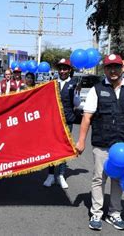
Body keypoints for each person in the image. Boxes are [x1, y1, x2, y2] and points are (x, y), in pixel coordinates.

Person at [75, 54, 124, 231]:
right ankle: (97, 213)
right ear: (104, 69)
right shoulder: (96, 90)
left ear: (122, 68)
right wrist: (81, 141)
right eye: (109, 67)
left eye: (116, 67)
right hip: (102, 144)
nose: (113, 70)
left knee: (118, 180)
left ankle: (114, 213)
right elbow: (87, 117)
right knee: (99, 179)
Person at [43, 59, 80, 189]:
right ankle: (51, 175)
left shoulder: (74, 84)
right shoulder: (52, 83)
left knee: (64, 148)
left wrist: (77, 93)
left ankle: (61, 175)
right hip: (53, 120)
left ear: (69, 70)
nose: (62, 71)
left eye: (65, 69)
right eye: (61, 69)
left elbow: (77, 104)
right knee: (51, 147)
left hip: (67, 120)